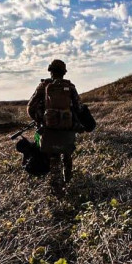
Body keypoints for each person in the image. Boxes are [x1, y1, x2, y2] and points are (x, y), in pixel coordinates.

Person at [27, 59, 83, 195]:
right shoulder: (70, 87)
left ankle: (56, 187)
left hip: (48, 128)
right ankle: (68, 178)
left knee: (53, 156)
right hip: (67, 128)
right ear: (64, 73)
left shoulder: (43, 85)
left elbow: (30, 107)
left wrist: (40, 120)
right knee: (67, 153)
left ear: (50, 71)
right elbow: (79, 108)